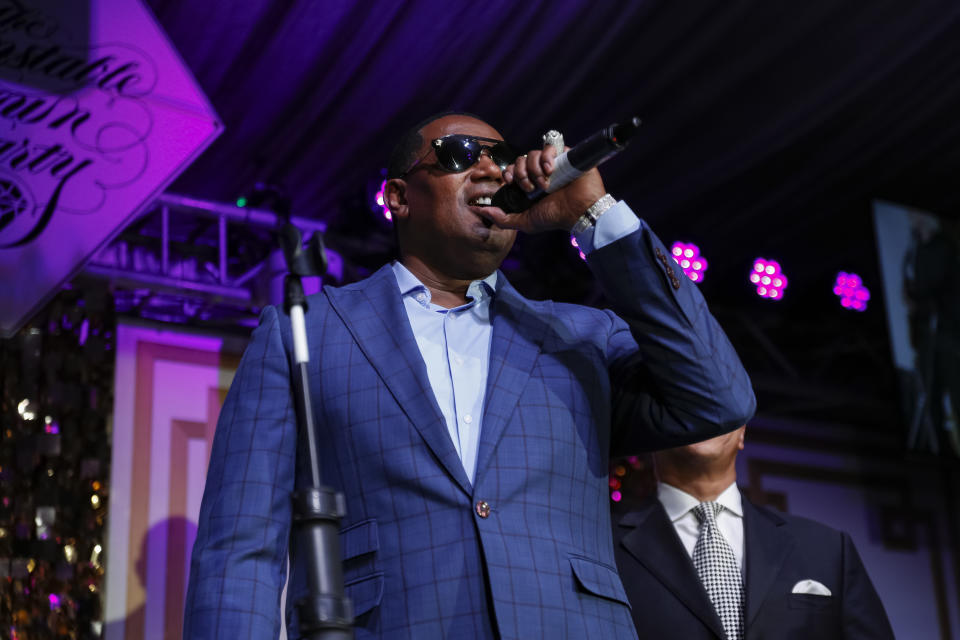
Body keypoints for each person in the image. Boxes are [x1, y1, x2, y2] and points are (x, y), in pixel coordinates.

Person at [183, 112, 756, 639]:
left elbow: (718, 398)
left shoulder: (583, 338)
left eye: (501, 156)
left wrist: (593, 215)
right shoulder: (304, 331)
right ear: (399, 197)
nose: (490, 168)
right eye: (459, 154)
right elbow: (239, 550)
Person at [612, 427, 895, 639]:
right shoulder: (604, 549)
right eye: (684, 403)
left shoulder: (828, 549)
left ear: (741, 433)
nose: (701, 415)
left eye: (714, 404)